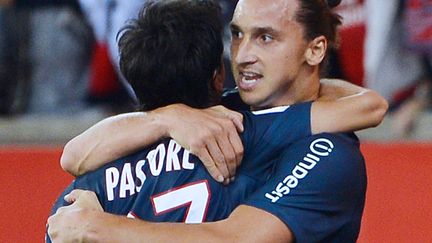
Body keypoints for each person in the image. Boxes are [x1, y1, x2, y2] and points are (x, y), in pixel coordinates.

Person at [48, 0, 388, 242]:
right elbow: (72, 155)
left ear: (314, 50)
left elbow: (238, 238)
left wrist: (98, 228)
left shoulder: (325, 152)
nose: (242, 55)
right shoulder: (212, 118)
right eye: (238, 34)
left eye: (265, 37)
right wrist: (166, 118)